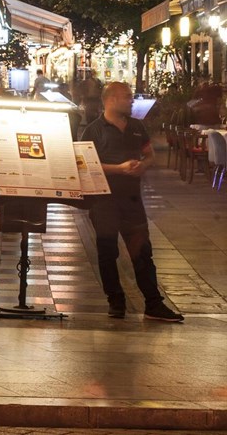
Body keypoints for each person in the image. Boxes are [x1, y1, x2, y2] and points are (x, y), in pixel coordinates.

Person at [79, 82, 184, 322]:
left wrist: (142, 166)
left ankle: (153, 303)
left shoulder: (137, 127)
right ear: (112, 100)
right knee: (107, 251)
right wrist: (119, 169)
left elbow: (149, 155)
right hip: (104, 201)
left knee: (142, 251)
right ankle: (115, 301)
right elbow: (85, 165)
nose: (132, 101)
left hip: (132, 200)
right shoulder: (94, 131)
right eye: (127, 97)